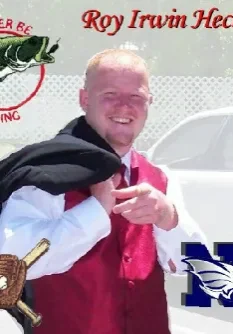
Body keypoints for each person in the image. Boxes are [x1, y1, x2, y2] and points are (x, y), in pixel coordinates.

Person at [0, 49, 208, 334]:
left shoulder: (161, 178)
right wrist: (94, 212)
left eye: (136, 96)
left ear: (149, 102)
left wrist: (167, 217)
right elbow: (11, 261)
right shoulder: (48, 172)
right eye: (110, 94)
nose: (124, 107)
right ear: (84, 99)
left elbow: (198, 267)